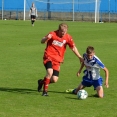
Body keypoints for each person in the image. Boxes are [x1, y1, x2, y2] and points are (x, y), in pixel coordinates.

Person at [38, 23, 83, 96]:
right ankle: (45, 92)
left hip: (58, 60)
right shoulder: (52, 34)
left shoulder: (68, 37)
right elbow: (42, 41)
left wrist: (79, 57)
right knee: (50, 72)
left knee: (54, 79)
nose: (63, 33)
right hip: (48, 56)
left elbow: (73, 48)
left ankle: (41, 82)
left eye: (65, 32)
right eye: (62, 31)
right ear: (59, 30)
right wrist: (46, 38)